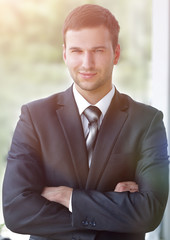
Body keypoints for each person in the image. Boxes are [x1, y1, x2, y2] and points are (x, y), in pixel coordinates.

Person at [2, 4, 169, 240]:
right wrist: (113, 209)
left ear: (116, 54)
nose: (87, 63)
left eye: (98, 50)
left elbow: (149, 213)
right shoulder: (35, 117)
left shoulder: (147, 121)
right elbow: (16, 212)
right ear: (65, 54)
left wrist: (67, 196)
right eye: (77, 51)